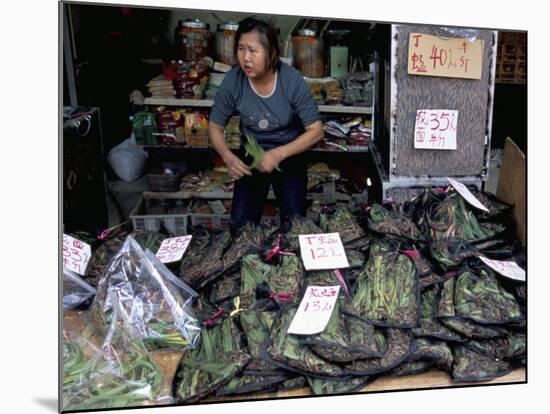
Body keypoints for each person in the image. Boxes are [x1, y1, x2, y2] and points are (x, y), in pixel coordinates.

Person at [208, 16, 324, 231]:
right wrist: (228, 157)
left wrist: (277, 154)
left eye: (253, 51)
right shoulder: (234, 80)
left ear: (271, 52)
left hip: (289, 154)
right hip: (252, 154)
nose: (245, 58)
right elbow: (215, 127)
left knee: (294, 226)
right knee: (241, 226)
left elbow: (316, 131)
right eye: (241, 49)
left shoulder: (292, 81)